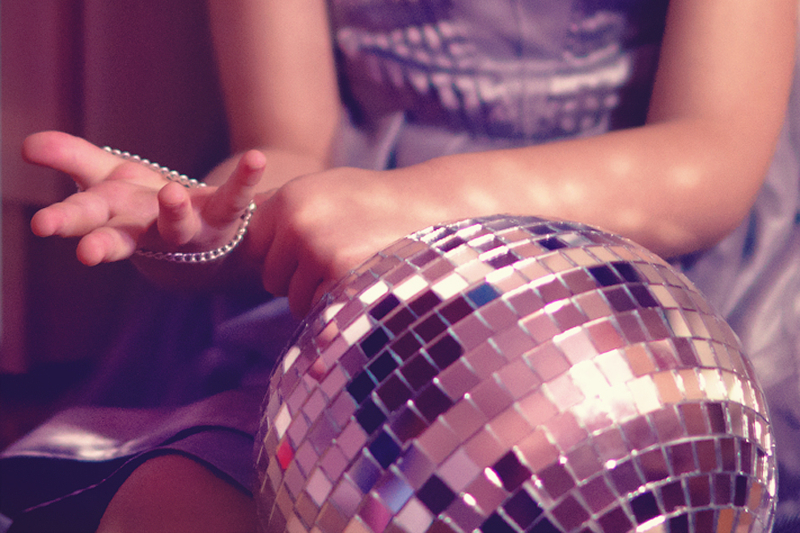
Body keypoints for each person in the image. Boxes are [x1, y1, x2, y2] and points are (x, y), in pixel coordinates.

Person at [5, 0, 798, 531]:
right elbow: (288, 146)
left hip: (647, 268)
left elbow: (712, 157)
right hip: (378, 283)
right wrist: (220, 230)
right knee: (166, 503)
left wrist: (413, 206)